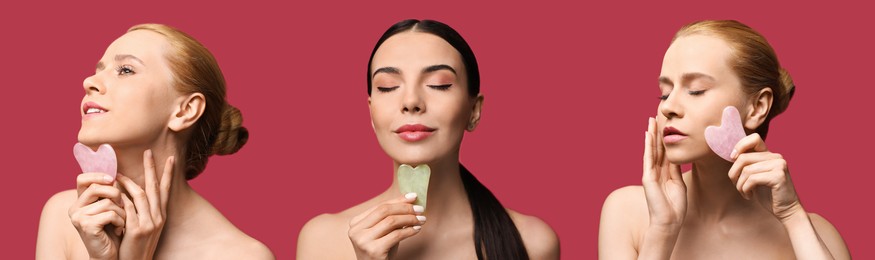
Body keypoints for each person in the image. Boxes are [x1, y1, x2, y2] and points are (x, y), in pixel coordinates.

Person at [297, 19, 559, 260]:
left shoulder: (532, 243)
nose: (411, 102)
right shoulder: (322, 241)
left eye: (439, 84)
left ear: (474, 110)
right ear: (371, 111)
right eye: (387, 86)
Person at [598, 20, 850, 259]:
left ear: (757, 107)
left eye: (695, 90)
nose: (669, 107)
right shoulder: (627, 212)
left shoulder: (817, 235)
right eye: (664, 94)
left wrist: (792, 215)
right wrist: (662, 229)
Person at [36, 24, 274, 259]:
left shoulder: (240, 255)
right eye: (99, 69)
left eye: (126, 70)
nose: (89, 81)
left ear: (185, 111)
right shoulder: (66, 217)